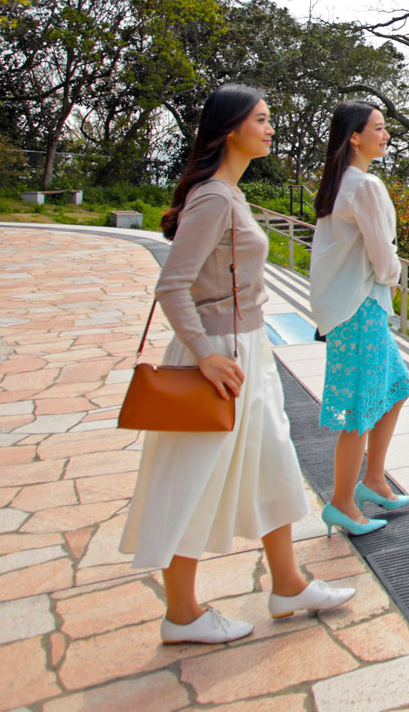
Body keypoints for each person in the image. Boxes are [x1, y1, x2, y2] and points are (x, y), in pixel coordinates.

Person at [120, 85, 355, 645]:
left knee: (274, 462)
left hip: (246, 349)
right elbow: (172, 285)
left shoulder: (229, 194)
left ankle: (289, 583)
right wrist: (205, 356)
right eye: (262, 120)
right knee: (193, 478)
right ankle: (181, 614)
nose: (271, 129)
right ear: (230, 130)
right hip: (221, 355)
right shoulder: (215, 199)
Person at [308, 101, 409, 534]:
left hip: (352, 307)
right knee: (359, 407)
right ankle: (341, 503)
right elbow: (381, 251)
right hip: (360, 308)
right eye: (378, 128)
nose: (385, 134)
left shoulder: (341, 183)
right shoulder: (365, 186)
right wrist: (394, 276)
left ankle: (372, 480)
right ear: (354, 136)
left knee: (394, 389)